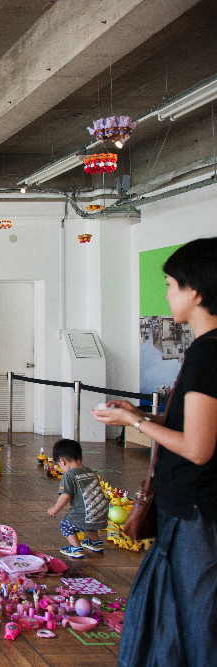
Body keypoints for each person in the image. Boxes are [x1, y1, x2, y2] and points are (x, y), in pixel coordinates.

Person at [92, 237, 217, 667]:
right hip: (195, 506)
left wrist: (136, 424)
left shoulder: (207, 354)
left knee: (195, 617)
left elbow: (199, 448)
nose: (166, 294)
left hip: (196, 509)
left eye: (170, 284)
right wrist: (145, 414)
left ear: (195, 291)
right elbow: (200, 427)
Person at [46, 439, 108, 558]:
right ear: (81, 458)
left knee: (65, 525)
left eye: (59, 465)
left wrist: (55, 508)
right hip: (101, 513)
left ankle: (76, 548)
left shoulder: (69, 475)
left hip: (86, 514)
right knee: (89, 522)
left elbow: (65, 496)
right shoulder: (90, 471)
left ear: (62, 462)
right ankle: (96, 543)